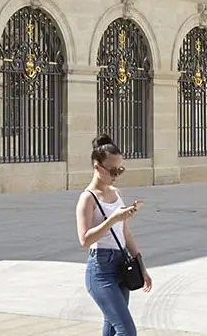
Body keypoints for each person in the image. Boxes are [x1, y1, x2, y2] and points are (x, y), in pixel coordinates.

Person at [77, 133, 151, 336]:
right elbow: (84, 240)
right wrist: (113, 219)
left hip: (121, 265)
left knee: (111, 328)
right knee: (127, 331)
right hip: (100, 270)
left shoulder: (116, 193)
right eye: (112, 170)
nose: (116, 175)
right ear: (96, 167)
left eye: (120, 170)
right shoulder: (88, 198)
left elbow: (126, 235)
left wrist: (141, 266)